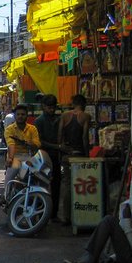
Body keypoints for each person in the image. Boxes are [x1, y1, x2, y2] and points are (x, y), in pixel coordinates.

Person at [53, 201, 132, 263]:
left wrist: (126, 220)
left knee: (109, 221)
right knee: (96, 248)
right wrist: (112, 258)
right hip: (124, 260)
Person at [57, 94, 91, 222]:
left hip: (67, 155)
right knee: (81, 185)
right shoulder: (85, 116)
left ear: (73, 103)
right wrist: (87, 155)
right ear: (83, 104)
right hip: (79, 154)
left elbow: (60, 135)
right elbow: (84, 137)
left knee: (67, 184)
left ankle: (66, 216)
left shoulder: (64, 116)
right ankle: (80, 215)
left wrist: (62, 149)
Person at [34, 94, 62, 220]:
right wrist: (58, 147)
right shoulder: (39, 121)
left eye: (53, 107)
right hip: (44, 158)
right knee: (42, 185)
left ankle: (53, 213)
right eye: (49, 107)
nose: (51, 109)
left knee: (56, 185)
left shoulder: (58, 119)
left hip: (55, 158)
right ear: (43, 107)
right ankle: (40, 212)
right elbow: (40, 141)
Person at [3, 104, 41, 191]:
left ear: (27, 116)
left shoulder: (32, 129)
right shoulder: (10, 129)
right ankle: (6, 195)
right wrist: (10, 158)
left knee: (40, 174)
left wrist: (30, 144)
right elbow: (11, 144)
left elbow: (37, 143)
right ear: (15, 116)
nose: (20, 116)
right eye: (18, 114)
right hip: (15, 156)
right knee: (12, 172)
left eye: (23, 114)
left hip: (29, 156)